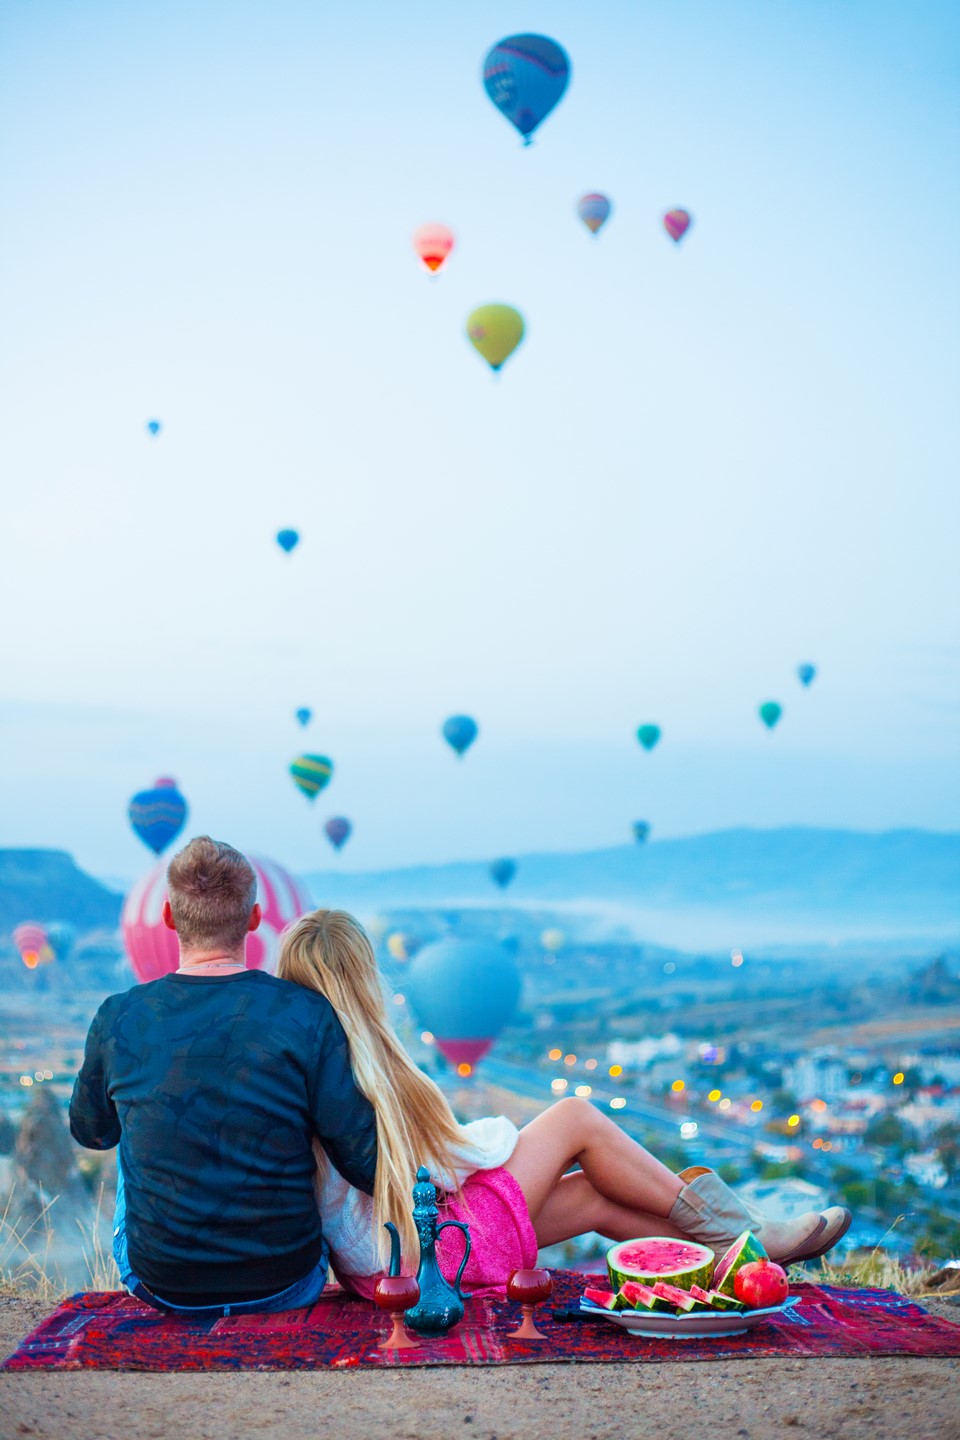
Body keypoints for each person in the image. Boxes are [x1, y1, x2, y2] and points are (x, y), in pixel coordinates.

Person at [277, 910, 851, 1297]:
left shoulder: (301, 1058)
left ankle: (735, 1272)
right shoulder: (358, 1066)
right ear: (362, 976)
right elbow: (442, 1166)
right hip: (426, 1251)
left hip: (384, 1267)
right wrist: (506, 1138)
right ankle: (744, 1232)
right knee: (575, 1118)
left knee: (592, 1196)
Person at [69, 837, 378, 1316]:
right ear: (254, 919)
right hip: (287, 1282)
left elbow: (92, 1133)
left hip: (159, 1284)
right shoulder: (306, 1014)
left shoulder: (118, 1017)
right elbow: (361, 1158)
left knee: (135, 1127)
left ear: (170, 917)